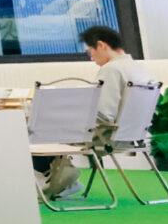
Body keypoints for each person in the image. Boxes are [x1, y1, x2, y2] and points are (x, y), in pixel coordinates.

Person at [42, 24, 144, 198]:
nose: (91, 58)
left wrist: (69, 112)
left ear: (101, 45)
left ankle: (57, 178)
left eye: (90, 52)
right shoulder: (137, 68)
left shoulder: (111, 70)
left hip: (105, 136)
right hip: (132, 134)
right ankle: (64, 176)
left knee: (38, 127)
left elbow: (103, 113)